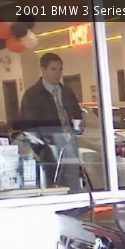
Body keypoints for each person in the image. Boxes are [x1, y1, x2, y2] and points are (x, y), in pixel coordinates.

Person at [17, 53, 83, 191]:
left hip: (69, 140)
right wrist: (39, 147)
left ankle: (75, 202)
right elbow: (28, 125)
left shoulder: (67, 92)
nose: (57, 73)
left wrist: (78, 125)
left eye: (60, 69)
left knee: (72, 175)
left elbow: (77, 114)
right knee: (52, 179)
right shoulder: (32, 95)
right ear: (43, 69)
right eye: (53, 69)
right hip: (48, 144)